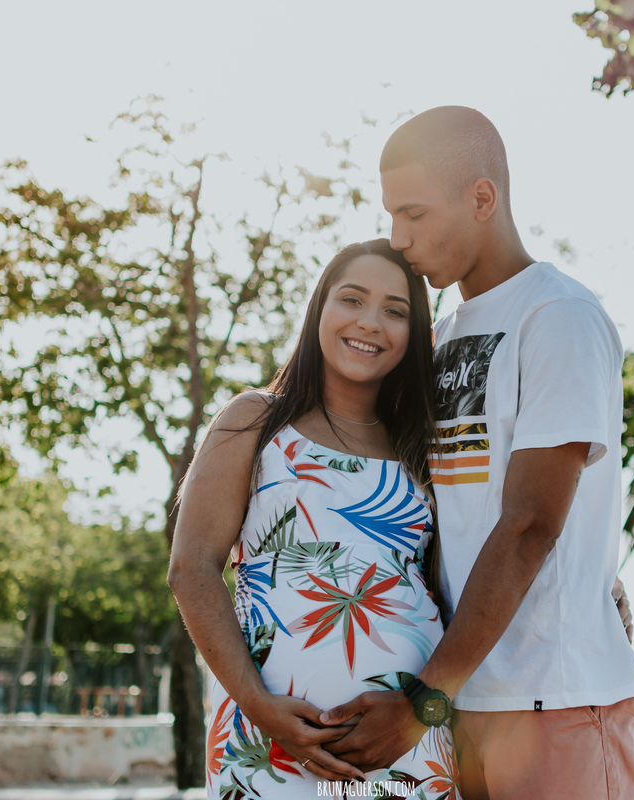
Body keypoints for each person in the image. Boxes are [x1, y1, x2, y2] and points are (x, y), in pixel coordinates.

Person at [318, 107, 634, 800]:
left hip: (556, 701)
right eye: (389, 216)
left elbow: (531, 523)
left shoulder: (558, 317)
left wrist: (419, 707)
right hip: (465, 707)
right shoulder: (437, 334)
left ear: (481, 198)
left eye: (413, 213)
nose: (396, 238)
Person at [168, 239, 459, 798]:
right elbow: (192, 568)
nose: (370, 323)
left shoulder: (426, 450)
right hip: (266, 744)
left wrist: (602, 584)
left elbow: (470, 567)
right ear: (320, 308)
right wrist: (260, 708)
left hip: (407, 745)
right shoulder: (255, 421)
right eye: (352, 299)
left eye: (395, 311)